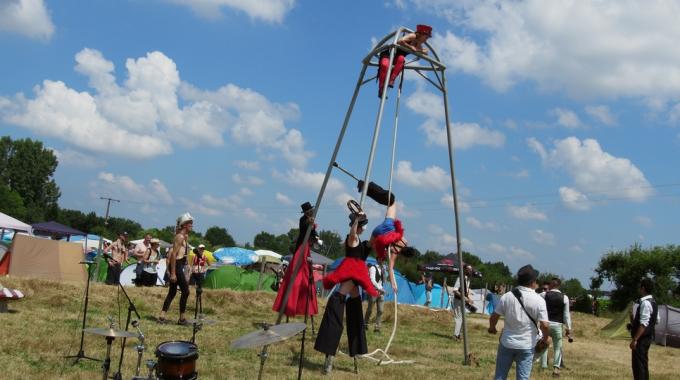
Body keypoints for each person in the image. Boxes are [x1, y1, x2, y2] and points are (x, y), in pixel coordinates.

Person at [315, 204, 377, 375]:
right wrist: (357, 218)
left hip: (355, 289)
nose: (363, 229)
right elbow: (352, 233)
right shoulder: (353, 239)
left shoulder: (364, 243)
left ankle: (356, 357)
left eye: (363, 225)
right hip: (344, 287)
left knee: (356, 325)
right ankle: (329, 361)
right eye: (361, 226)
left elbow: (374, 238)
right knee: (334, 324)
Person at [488, 265, 551, 380]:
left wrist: (492, 328)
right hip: (527, 344)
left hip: (507, 342)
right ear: (532, 282)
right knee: (523, 377)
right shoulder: (539, 300)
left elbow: (494, 316)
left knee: (500, 376)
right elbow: (545, 325)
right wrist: (546, 338)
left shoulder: (507, 296)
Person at [358, 180, 418, 291]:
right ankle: (360, 254)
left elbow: (397, 232)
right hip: (378, 233)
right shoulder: (395, 253)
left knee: (392, 200)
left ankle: (368, 188)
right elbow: (390, 269)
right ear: (405, 256)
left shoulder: (405, 241)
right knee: (369, 246)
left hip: (388, 225)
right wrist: (394, 285)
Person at [271, 202, 320, 317]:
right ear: (306, 212)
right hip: (301, 248)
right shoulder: (303, 220)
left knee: (306, 273)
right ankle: (289, 303)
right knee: (296, 273)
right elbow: (303, 229)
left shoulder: (311, 219)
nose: (312, 211)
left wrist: (316, 236)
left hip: (307, 247)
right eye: (310, 210)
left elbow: (312, 232)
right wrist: (310, 223)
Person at [377, 24, 432, 98]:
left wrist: (420, 50)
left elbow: (423, 52)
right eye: (426, 37)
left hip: (397, 57)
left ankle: (391, 80)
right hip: (389, 53)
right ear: (420, 34)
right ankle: (381, 88)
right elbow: (400, 41)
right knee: (384, 65)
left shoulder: (418, 43)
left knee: (401, 59)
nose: (426, 40)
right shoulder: (413, 36)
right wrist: (410, 47)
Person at [158, 212, 193, 325]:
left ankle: (162, 316)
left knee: (172, 292)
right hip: (176, 265)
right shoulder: (180, 237)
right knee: (186, 291)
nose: (192, 225)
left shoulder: (183, 237)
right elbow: (173, 255)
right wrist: (172, 273)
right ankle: (182, 318)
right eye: (190, 223)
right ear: (184, 225)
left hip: (179, 265)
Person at [540, 278, 573, 377]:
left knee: (544, 343)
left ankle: (543, 365)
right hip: (558, 324)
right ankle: (556, 368)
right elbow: (566, 315)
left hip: (546, 323)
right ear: (559, 286)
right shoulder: (565, 297)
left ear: (550, 285)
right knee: (558, 347)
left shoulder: (543, 295)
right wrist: (568, 328)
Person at [629, 278, 659, 380]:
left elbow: (644, 324)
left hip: (641, 340)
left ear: (643, 288)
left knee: (638, 367)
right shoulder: (654, 302)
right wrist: (633, 319)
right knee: (643, 365)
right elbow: (657, 320)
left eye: (640, 287)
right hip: (648, 338)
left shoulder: (645, 303)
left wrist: (635, 339)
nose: (639, 289)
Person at [451, 264, 474, 340]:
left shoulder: (467, 280)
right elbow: (455, 290)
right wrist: (464, 297)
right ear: (464, 270)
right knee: (459, 318)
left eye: (471, 269)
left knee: (462, 318)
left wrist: (468, 298)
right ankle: (455, 335)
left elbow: (464, 292)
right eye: (469, 269)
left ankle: (458, 335)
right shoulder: (460, 278)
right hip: (457, 300)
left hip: (462, 300)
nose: (470, 271)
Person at [365, 257, 385, 332]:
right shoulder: (373, 268)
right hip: (373, 291)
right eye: (381, 259)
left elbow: (383, 281)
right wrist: (379, 288)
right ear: (377, 259)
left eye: (383, 259)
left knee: (380, 310)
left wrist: (382, 288)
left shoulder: (382, 269)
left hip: (381, 292)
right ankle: (365, 324)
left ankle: (377, 327)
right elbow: (372, 280)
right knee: (370, 309)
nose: (382, 260)